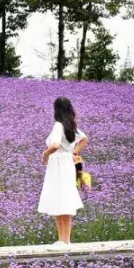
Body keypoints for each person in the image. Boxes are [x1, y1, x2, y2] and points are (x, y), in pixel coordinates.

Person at [39, 97, 89, 246]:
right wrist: (73, 153)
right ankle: (63, 239)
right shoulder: (71, 125)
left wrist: (45, 154)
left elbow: (54, 145)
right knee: (62, 199)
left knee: (60, 198)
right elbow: (85, 139)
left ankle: (65, 239)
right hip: (66, 163)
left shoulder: (58, 125)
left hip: (58, 164)